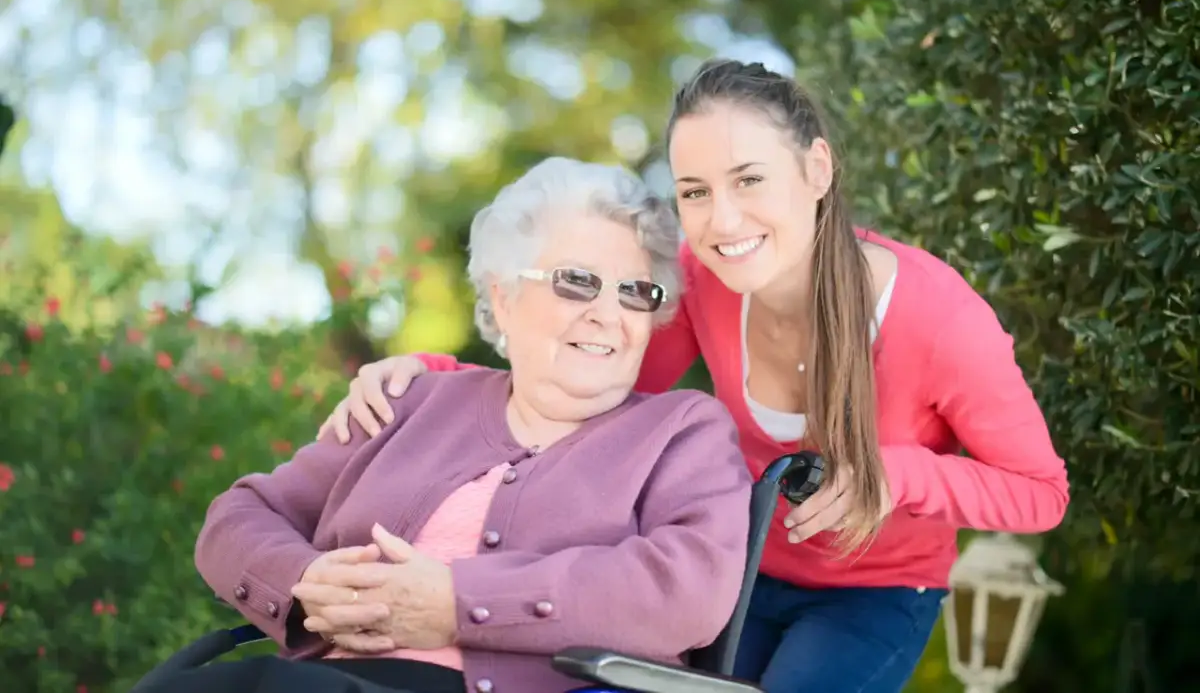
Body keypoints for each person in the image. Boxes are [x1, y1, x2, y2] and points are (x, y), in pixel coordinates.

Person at [318, 60, 1071, 693]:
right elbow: (588, 376)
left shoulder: (939, 318)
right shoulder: (701, 280)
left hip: (872, 594)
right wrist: (430, 375)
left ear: (817, 169)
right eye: (695, 192)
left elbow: (1040, 491)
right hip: (729, 573)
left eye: (748, 180)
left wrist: (891, 474)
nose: (722, 219)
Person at [157, 157, 752, 693]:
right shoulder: (411, 402)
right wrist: (303, 579)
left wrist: (460, 603)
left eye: (635, 292)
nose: (606, 314)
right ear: (506, 294)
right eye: (577, 282)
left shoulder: (681, 430)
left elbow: (688, 589)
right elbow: (238, 517)